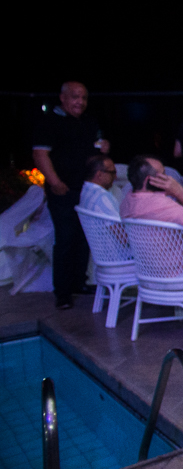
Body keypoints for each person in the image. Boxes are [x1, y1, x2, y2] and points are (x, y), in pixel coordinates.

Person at [32, 81, 110, 309]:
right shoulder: (50, 122)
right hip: (63, 189)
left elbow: (93, 153)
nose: (80, 102)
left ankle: (79, 282)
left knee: (85, 237)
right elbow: (40, 154)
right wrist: (55, 182)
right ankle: (63, 292)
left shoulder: (88, 122)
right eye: (75, 97)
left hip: (85, 189)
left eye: (84, 97)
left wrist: (103, 149)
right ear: (63, 98)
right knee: (65, 238)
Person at [120, 155, 183, 227]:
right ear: (150, 180)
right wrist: (179, 191)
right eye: (163, 174)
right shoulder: (159, 204)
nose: (168, 177)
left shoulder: (127, 200)